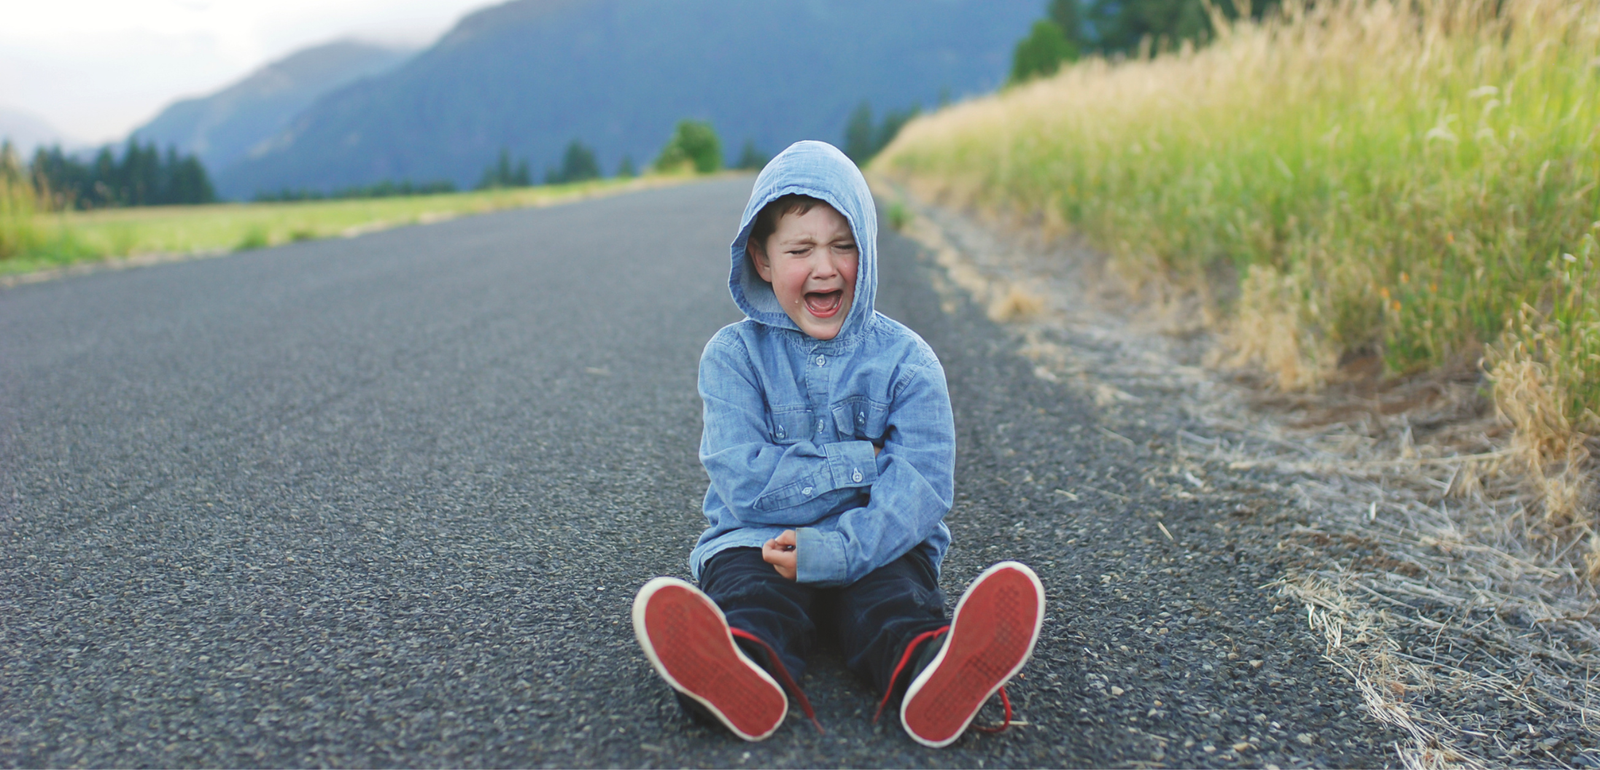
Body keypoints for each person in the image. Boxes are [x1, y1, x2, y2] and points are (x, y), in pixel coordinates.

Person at [631, 140, 1044, 748]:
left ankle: (936, 668)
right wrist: (860, 462)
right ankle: (731, 672)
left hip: (877, 542)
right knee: (751, 600)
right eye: (800, 249)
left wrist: (838, 551)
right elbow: (744, 482)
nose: (825, 268)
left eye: (844, 246)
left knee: (891, 607)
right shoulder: (732, 357)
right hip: (758, 542)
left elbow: (920, 490)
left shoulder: (908, 363)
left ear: (869, 254)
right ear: (763, 259)